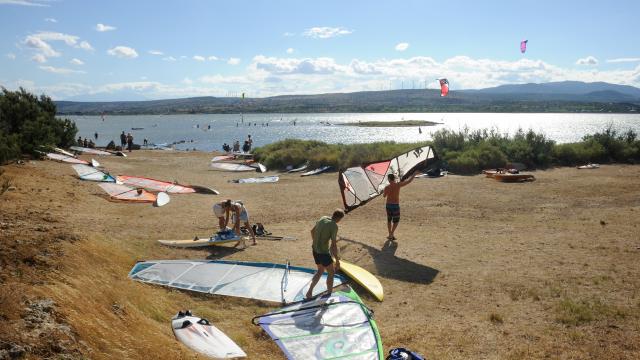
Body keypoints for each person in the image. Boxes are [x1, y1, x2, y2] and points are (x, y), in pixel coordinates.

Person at [305, 209, 344, 300]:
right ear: (339, 218)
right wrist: (337, 261)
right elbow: (333, 245)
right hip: (323, 253)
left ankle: (309, 292)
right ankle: (329, 294)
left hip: (315, 250)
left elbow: (312, 231)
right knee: (331, 272)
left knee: (320, 271)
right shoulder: (334, 226)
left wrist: (316, 242)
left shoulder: (323, 218)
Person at [383, 172, 417, 241]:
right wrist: (414, 174)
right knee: (396, 221)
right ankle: (391, 234)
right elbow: (409, 181)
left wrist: (385, 191)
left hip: (388, 205)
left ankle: (390, 234)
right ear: (394, 178)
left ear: (389, 179)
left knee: (389, 220)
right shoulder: (398, 185)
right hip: (395, 205)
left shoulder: (387, 187)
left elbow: (384, 196)